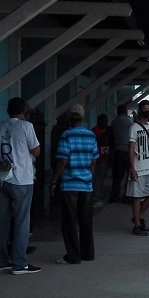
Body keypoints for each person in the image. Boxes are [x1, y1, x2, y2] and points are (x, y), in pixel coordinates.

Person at [0, 97, 42, 275]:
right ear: (24, 110)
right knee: (21, 222)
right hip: (22, 180)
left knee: (2, 222)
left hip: (2, 179)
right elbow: (36, 151)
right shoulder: (26, 126)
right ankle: (19, 263)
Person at [49, 104, 98, 265]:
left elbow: (62, 160)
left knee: (69, 221)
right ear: (83, 118)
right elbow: (93, 159)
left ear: (70, 118)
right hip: (86, 184)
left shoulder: (67, 136)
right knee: (85, 220)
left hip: (70, 185)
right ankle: (88, 253)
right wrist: (89, 176)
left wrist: (55, 180)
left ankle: (73, 256)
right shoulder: (91, 136)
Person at [128, 100, 149, 235]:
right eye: (145, 108)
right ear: (140, 110)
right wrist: (132, 168)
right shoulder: (134, 128)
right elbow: (131, 148)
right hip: (138, 167)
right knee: (137, 196)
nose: (147, 110)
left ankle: (138, 217)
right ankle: (137, 225)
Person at [108, 103, 133, 203]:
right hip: (127, 150)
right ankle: (127, 196)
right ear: (125, 111)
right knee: (129, 175)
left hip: (118, 150)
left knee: (117, 176)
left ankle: (114, 195)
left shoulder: (114, 122)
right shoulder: (129, 122)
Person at [90, 114, 111, 207]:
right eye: (105, 121)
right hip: (99, 159)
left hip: (104, 158)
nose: (107, 123)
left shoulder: (102, 131)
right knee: (97, 180)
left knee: (101, 180)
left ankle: (98, 196)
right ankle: (95, 198)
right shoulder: (95, 132)